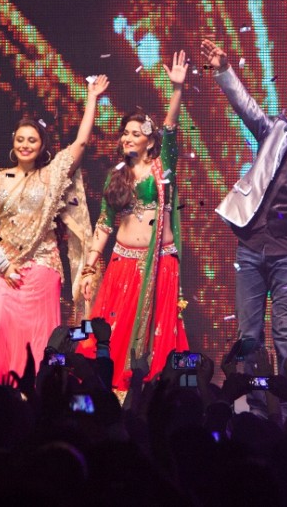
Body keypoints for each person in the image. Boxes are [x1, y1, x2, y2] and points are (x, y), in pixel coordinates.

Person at [199, 38, 287, 414]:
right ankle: (258, 409)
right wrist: (223, 70)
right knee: (249, 335)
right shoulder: (277, 133)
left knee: (285, 333)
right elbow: (248, 110)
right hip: (250, 248)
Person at [0, 76, 108, 382]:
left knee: (40, 336)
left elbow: (81, 143)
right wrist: (3, 263)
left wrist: (92, 98)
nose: (25, 145)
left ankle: (37, 393)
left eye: (32, 140)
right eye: (20, 139)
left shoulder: (51, 176)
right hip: (4, 267)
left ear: (42, 146)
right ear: (13, 142)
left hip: (42, 267)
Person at [78, 52, 188, 392]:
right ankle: (112, 393)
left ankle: (150, 394)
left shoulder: (162, 169)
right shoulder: (116, 176)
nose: (127, 138)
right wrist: (89, 266)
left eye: (135, 133)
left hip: (158, 264)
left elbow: (170, 130)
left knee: (155, 333)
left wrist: (177, 90)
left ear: (149, 141)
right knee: (112, 332)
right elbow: (104, 223)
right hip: (122, 264)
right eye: (124, 133)